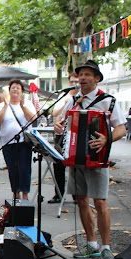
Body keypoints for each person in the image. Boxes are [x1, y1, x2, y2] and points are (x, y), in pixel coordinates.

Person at [54, 60, 126, 259]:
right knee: (82, 201)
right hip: (76, 159)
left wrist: (107, 138)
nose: (82, 78)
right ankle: (92, 244)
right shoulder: (73, 101)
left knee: (100, 202)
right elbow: (64, 124)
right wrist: (59, 126)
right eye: (80, 75)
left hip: (97, 158)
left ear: (97, 79)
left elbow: (121, 128)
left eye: (87, 75)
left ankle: (106, 247)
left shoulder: (108, 101)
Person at [0, 79, 35, 199]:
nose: (15, 90)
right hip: (8, 142)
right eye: (13, 88)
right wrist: (6, 106)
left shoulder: (27, 103)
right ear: (9, 91)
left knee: (24, 168)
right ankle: (15, 193)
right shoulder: (2, 105)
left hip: (23, 142)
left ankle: (25, 194)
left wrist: (22, 107)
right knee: (13, 169)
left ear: (22, 92)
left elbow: (32, 119)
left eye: (18, 88)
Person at [49, 73, 79, 204]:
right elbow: (55, 115)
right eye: (72, 81)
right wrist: (65, 104)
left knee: (77, 167)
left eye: (76, 81)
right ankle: (59, 194)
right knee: (58, 165)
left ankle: (77, 195)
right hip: (62, 136)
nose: (74, 84)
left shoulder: (83, 99)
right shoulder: (64, 98)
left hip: (76, 137)